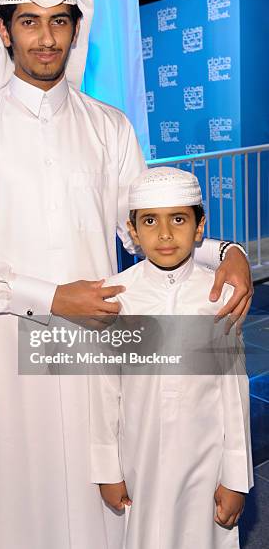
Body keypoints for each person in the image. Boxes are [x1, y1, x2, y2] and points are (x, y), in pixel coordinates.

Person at [0, 0, 253, 549]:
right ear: (5, 31)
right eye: (29, 22)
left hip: (96, 338)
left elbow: (148, 227)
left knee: (106, 480)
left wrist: (224, 251)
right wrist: (49, 297)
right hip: (7, 342)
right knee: (16, 493)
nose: (46, 38)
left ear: (77, 30)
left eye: (59, 22)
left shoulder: (110, 127)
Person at [90, 167, 253, 549]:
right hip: (140, 456)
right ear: (133, 231)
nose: (164, 234)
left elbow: (234, 392)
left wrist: (235, 476)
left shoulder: (216, 296)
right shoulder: (117, 296)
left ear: (199, 228)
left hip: (205, 457)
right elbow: (103, 389)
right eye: (150, 221)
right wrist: (107, 469)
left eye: (178, 219)